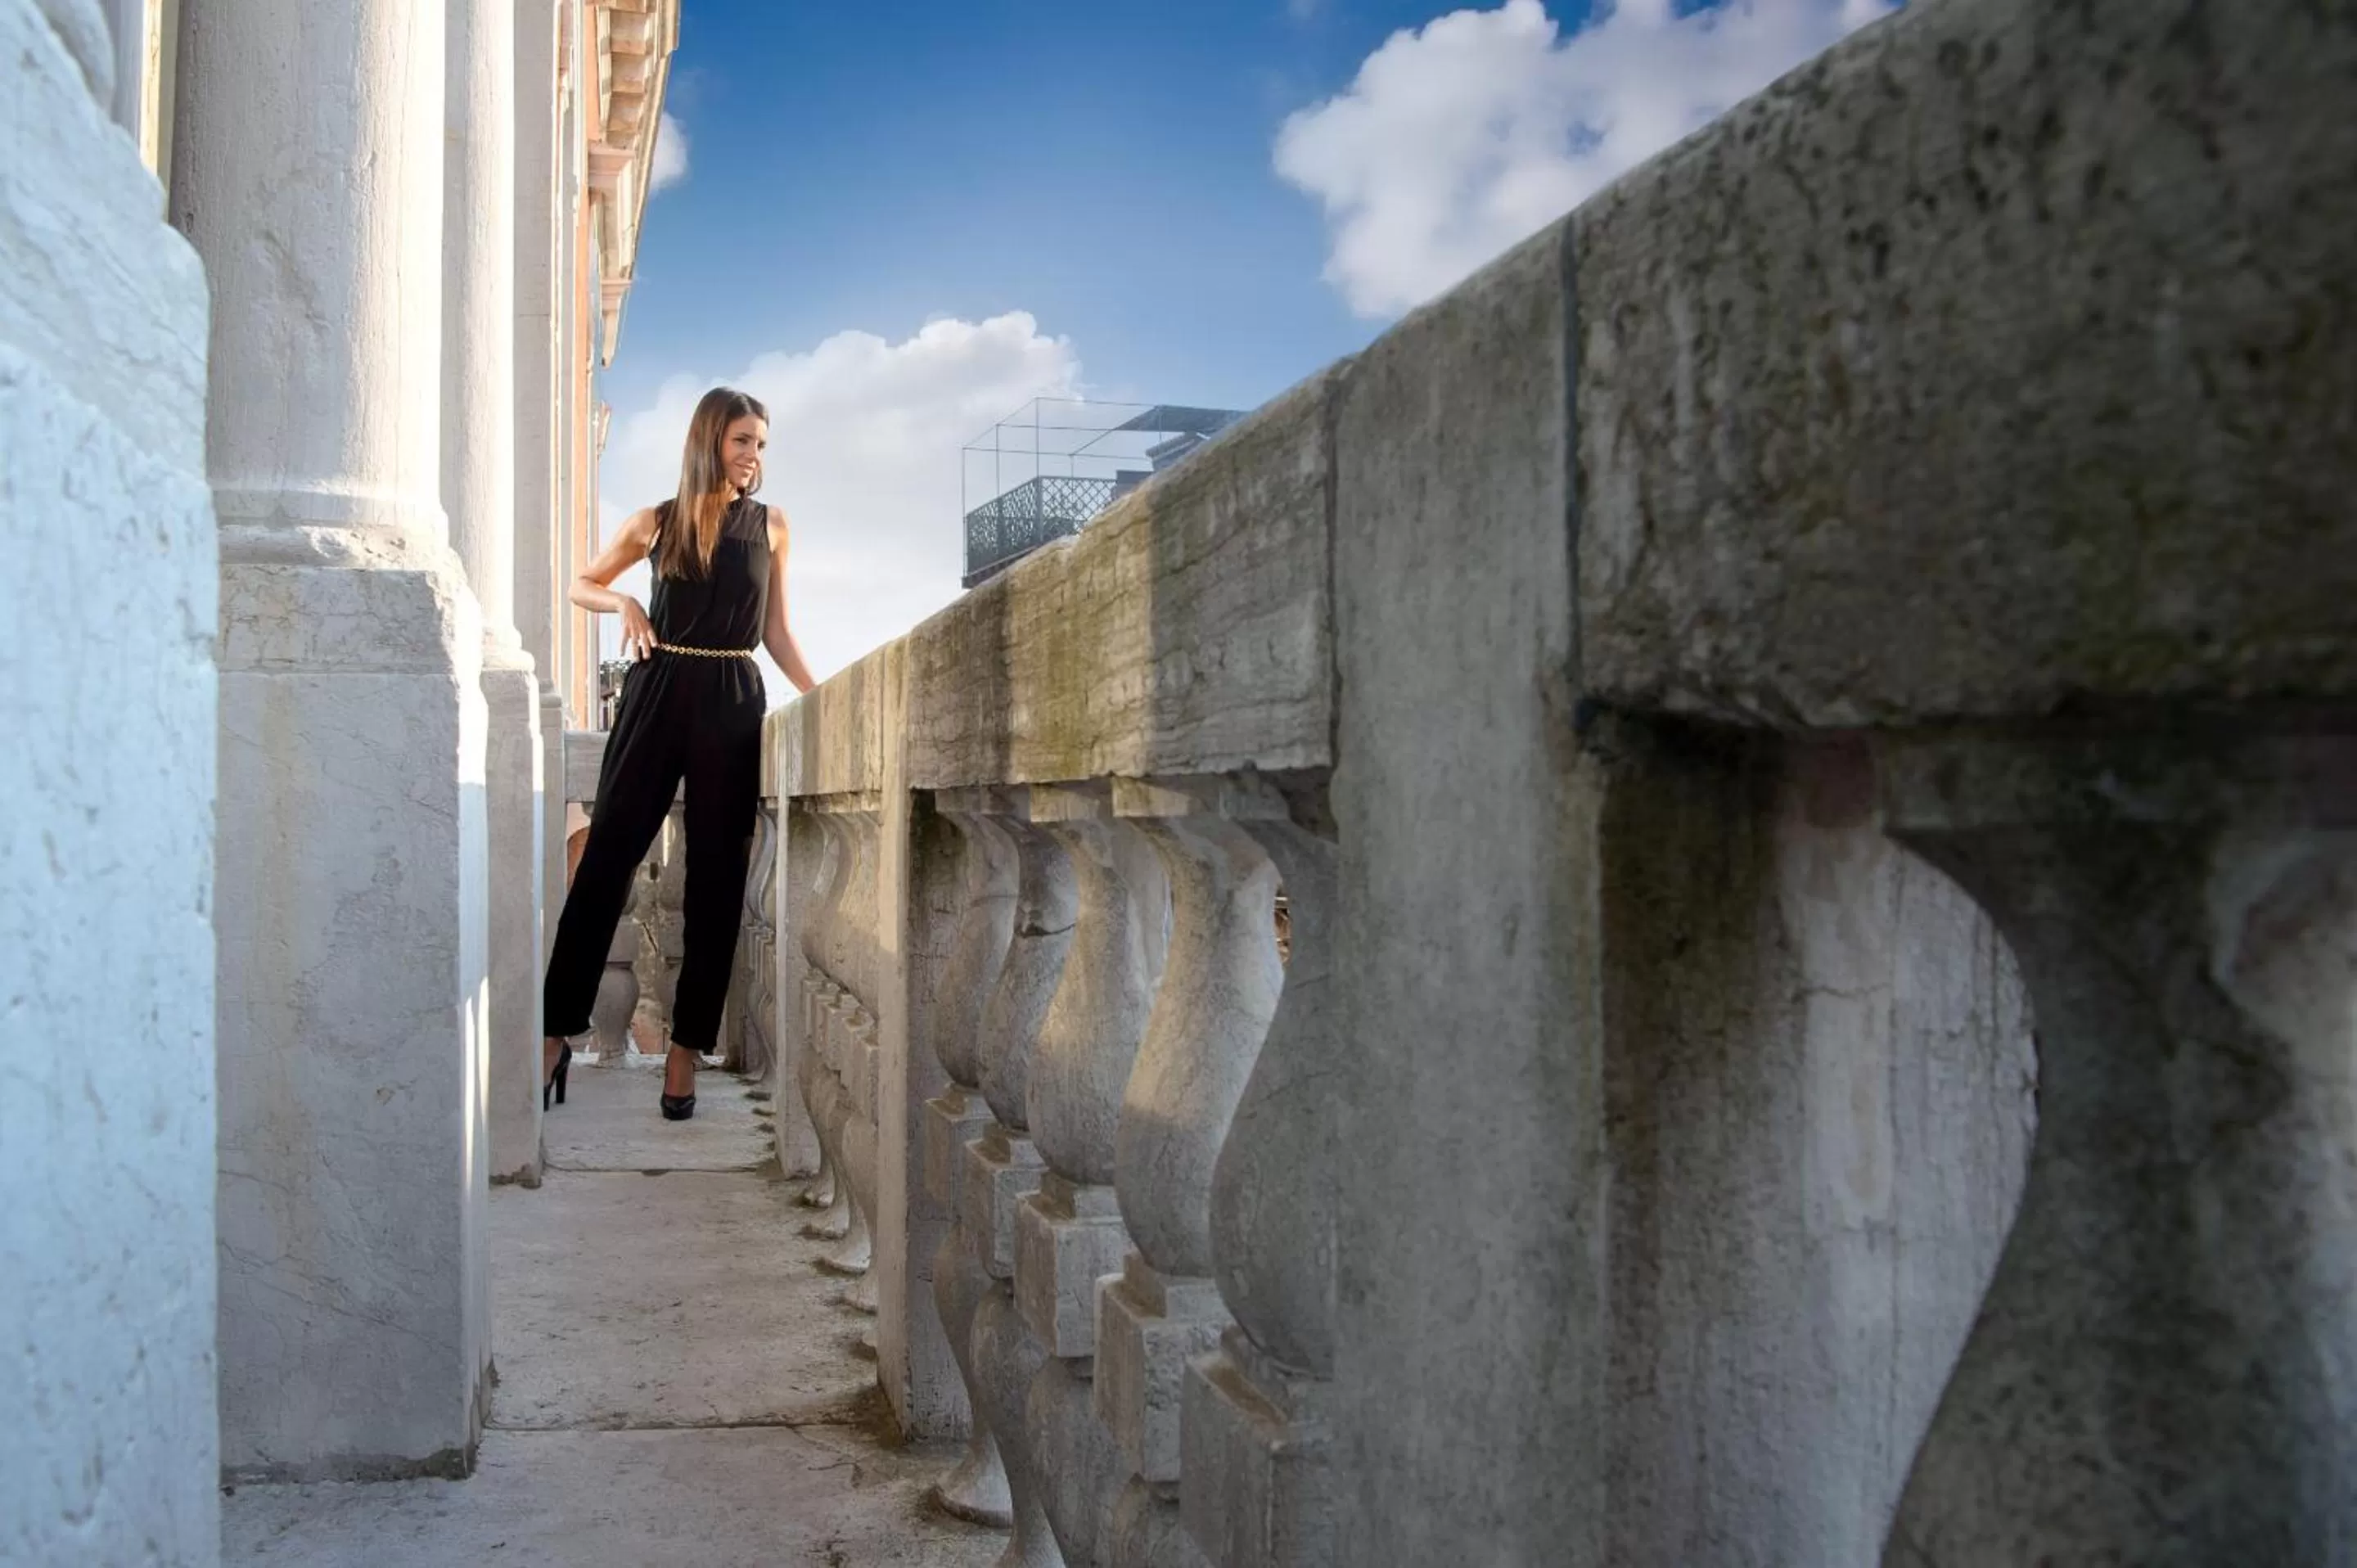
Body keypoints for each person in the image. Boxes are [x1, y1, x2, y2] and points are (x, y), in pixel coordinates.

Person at [539, 386, 818, 1120]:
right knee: (605, 865)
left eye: (760, 443)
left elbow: (777, 632)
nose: (753, 457)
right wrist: (624, 604)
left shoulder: (774, 527)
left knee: (718, 882)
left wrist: (819, 693)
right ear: (708, 444)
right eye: (741, 441)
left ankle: (686, 1051)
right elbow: (581, 584)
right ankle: (554, 1034)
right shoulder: (657, 522)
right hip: (658, 693)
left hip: (732, 699)